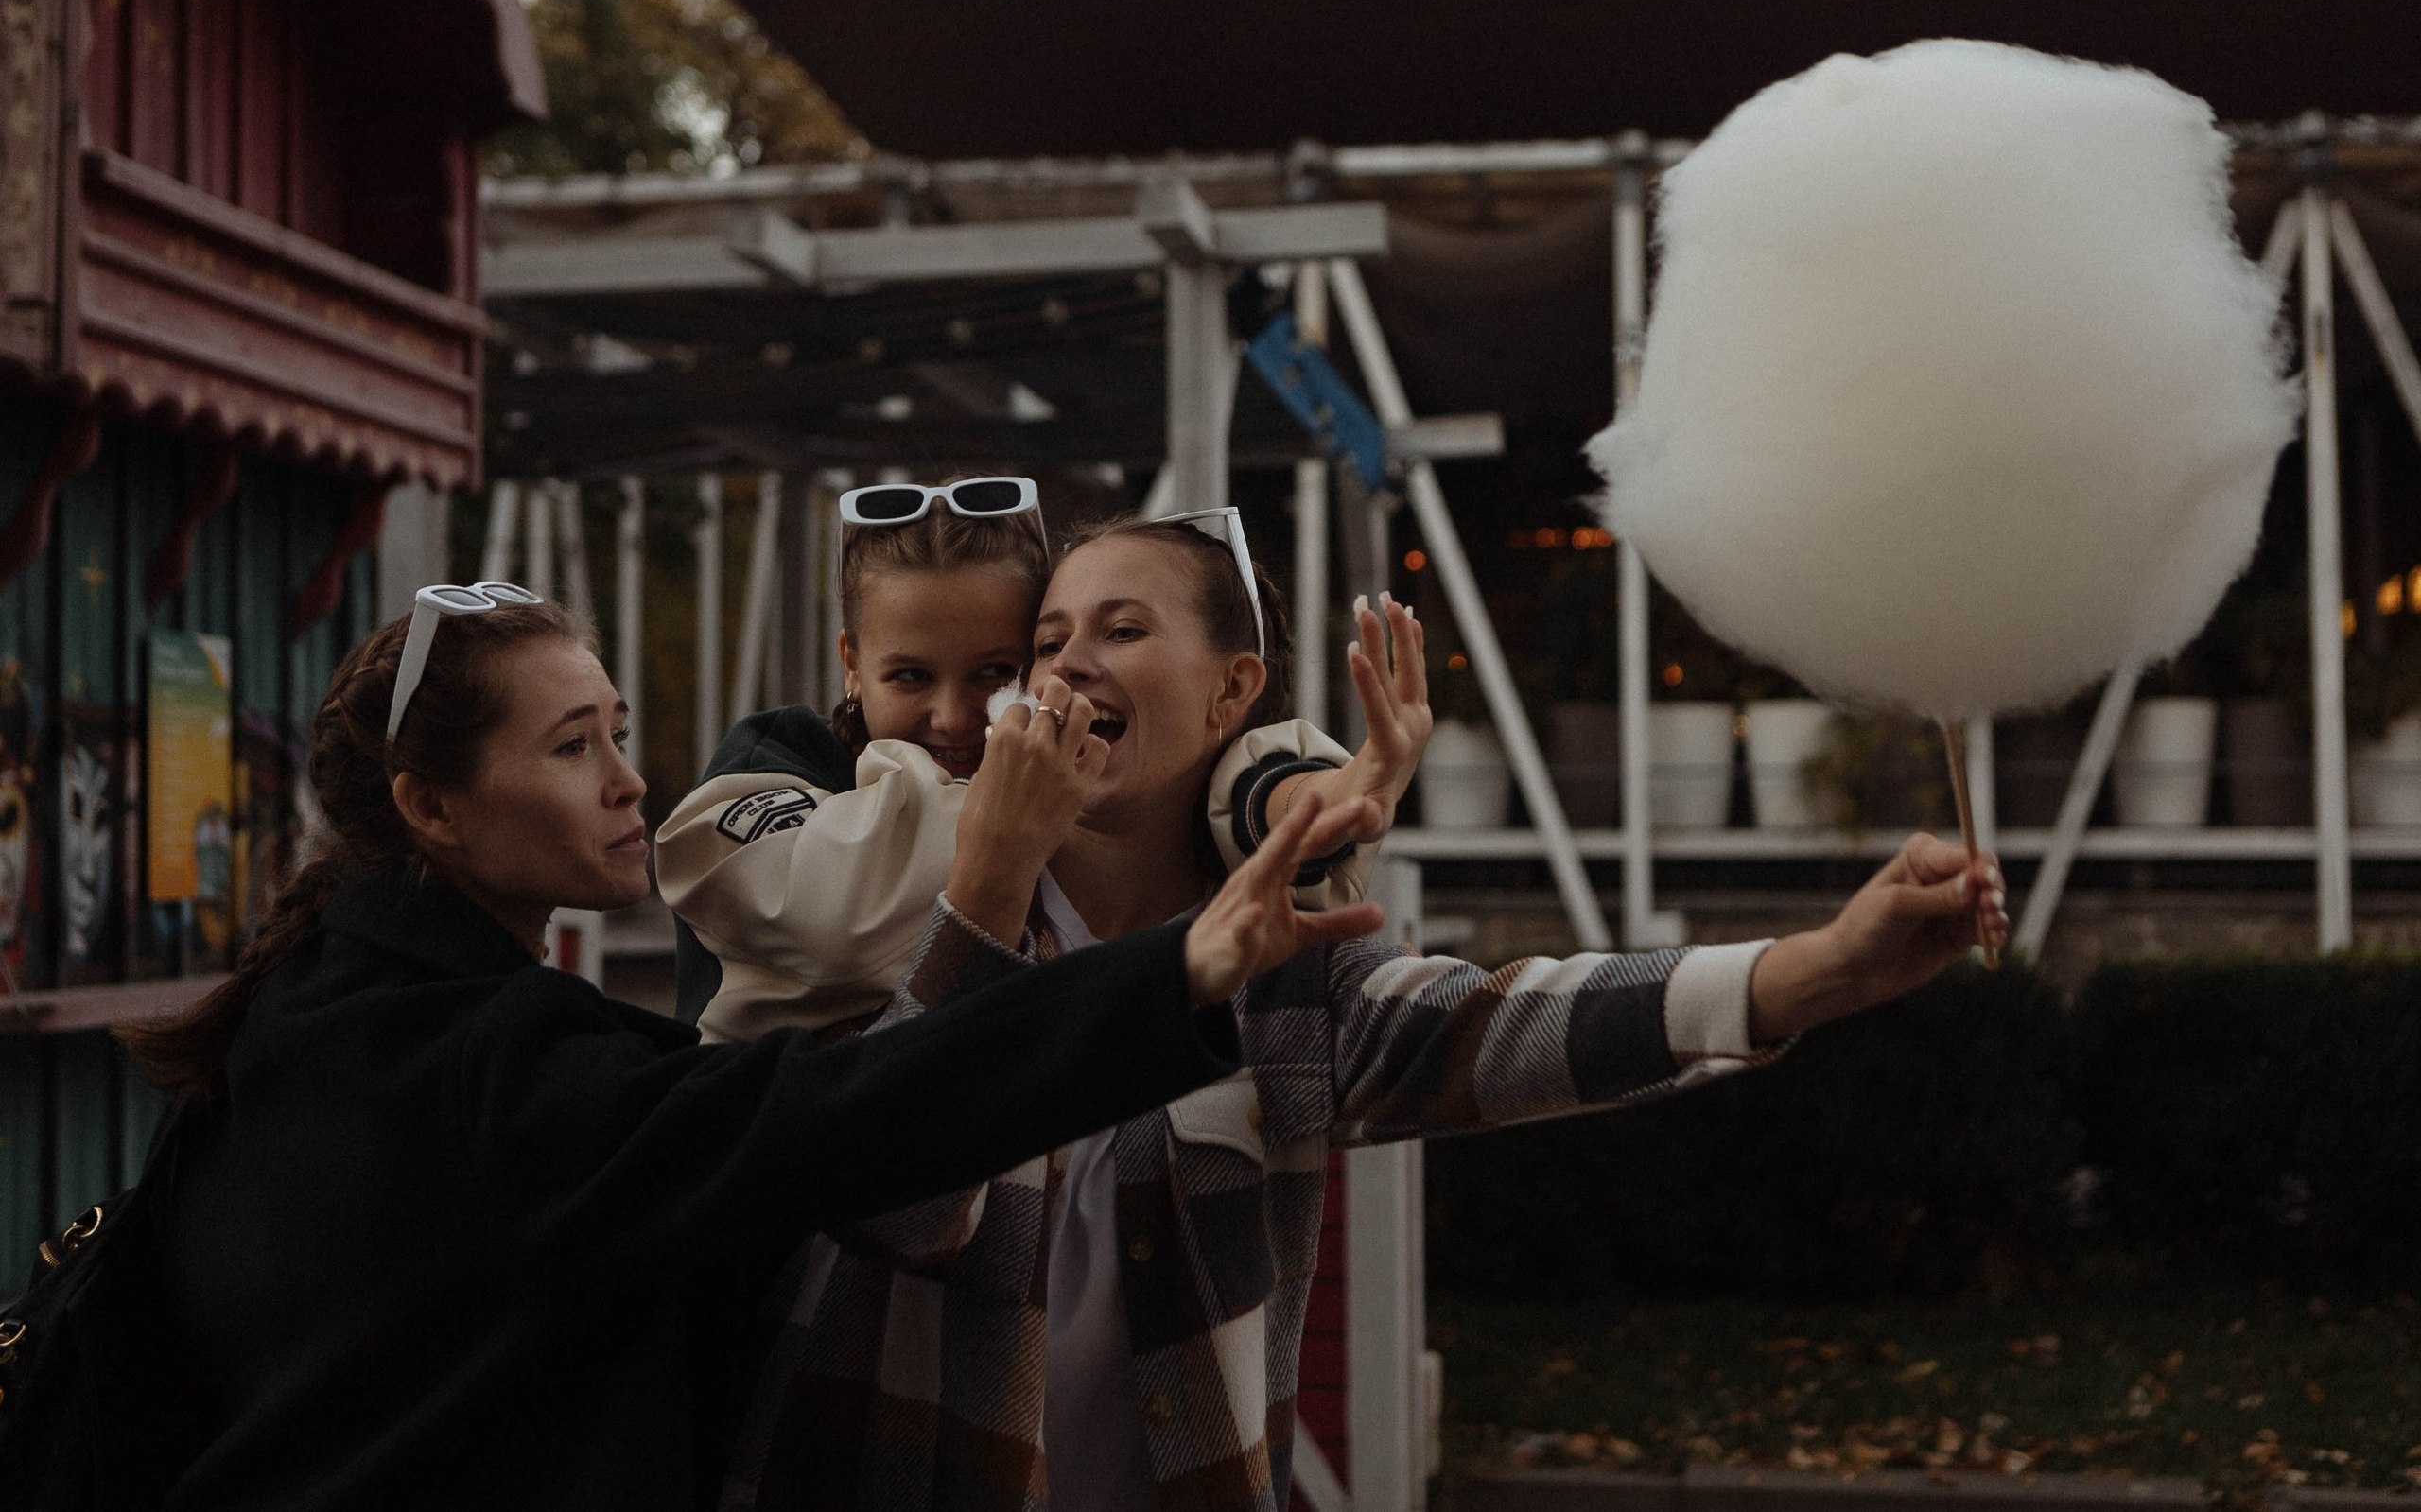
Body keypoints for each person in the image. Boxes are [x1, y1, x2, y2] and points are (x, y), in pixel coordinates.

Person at [725, 518, 2012, 1512]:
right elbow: (896, 1197)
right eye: (1047, 638)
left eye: (1119, 629)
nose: (1066, 663)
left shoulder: (1288, 965)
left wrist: (1826, 963)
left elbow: (1511, 1024)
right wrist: (989, 888)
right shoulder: (892, 907)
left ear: (1234, 693)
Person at [113, 583, 1384, 1511]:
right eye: (573, 747)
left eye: (615, 727)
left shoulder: (304, 1009)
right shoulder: (492, 1067)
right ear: (432, 808)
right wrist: (1168, 967)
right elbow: (831, 1118)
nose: (628, 777)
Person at [656, 478, 1422, 1041]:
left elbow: (1229, 781)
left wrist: (1305, 794)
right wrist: (1046, 809)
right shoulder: (770, 773)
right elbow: (831, 907)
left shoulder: (1066, 816)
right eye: (910, 676)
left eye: (998, 671)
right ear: (851, 664)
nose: (953, 716)